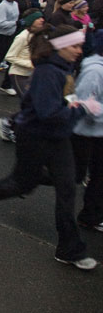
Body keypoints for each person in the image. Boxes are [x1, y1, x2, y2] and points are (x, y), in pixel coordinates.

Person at [0, 26, 99, 271]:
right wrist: (82, 108)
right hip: (34, 137)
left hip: (58, 138)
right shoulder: (48, 71)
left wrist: (73, 104)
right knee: (21, 184)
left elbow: (55, 106)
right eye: (75, 46)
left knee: (68, 187)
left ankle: (69, 249)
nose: (79, 51)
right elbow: (48, 113)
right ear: (60, 46)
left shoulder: (61, 67)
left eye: (81, 46)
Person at [0, 9, 46, 142]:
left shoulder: (37, 35)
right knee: (31, 104)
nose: (42, 20)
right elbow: (10, 56)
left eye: (42, 18)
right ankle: (8, 123)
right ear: (31, 21)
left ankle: (14, 126)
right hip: (18, 75)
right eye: (38, 18)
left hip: (32, 75)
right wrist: (30, 63)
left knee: (34, 104)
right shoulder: (22, 36)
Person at [73, 29, 103, 234]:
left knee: (98, 176)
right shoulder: (95, 71)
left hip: (97, 132)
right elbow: (84, 103)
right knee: (73, 176)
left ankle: (91, 216)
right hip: (86, 132)